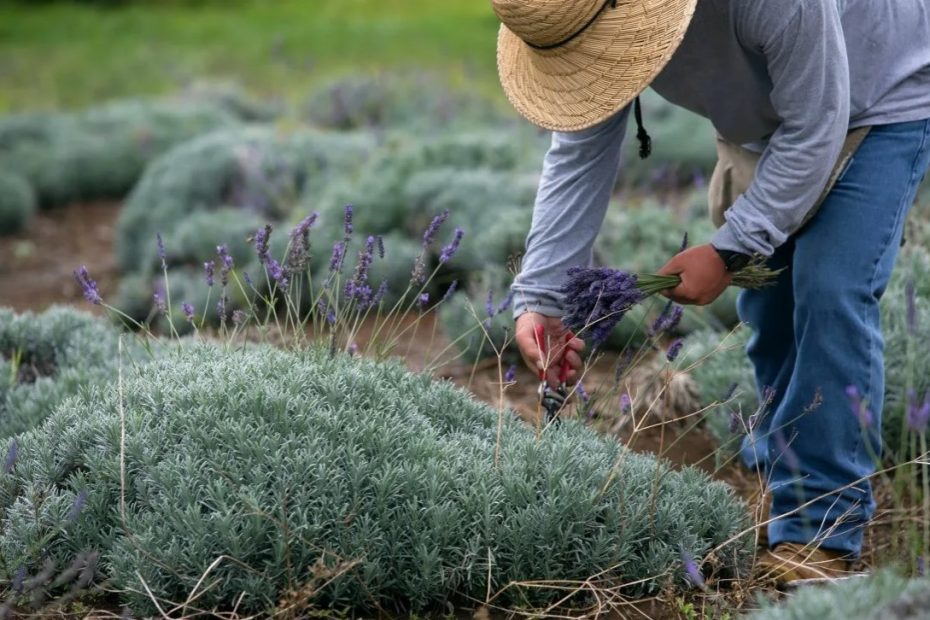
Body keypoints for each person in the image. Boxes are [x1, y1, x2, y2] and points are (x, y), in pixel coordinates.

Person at [494, 0, 930, 585]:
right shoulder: (587, 16)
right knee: (770, 303)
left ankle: (821, 525)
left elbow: (818, 123)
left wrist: (728, 249)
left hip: (881, 93)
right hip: (768, 114)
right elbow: (579, 152)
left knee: (829, 292)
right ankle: (790, 454)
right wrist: (541, 297)